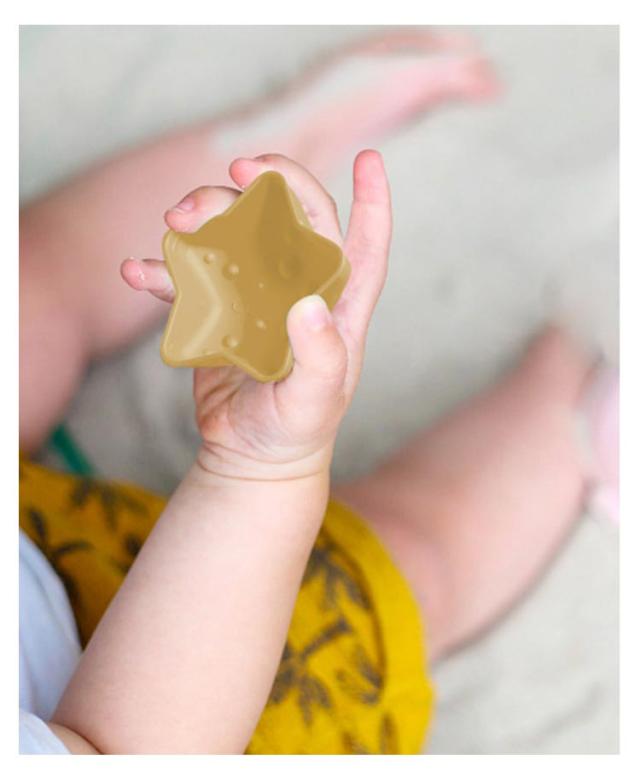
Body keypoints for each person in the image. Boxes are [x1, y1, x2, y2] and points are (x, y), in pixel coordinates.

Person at [19, 30, 616, 754]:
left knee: (29, 284)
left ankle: (272, 145)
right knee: (365, 583)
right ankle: (568, 394)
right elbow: (136, 746)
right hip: (164, 689)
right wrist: (256, 467)